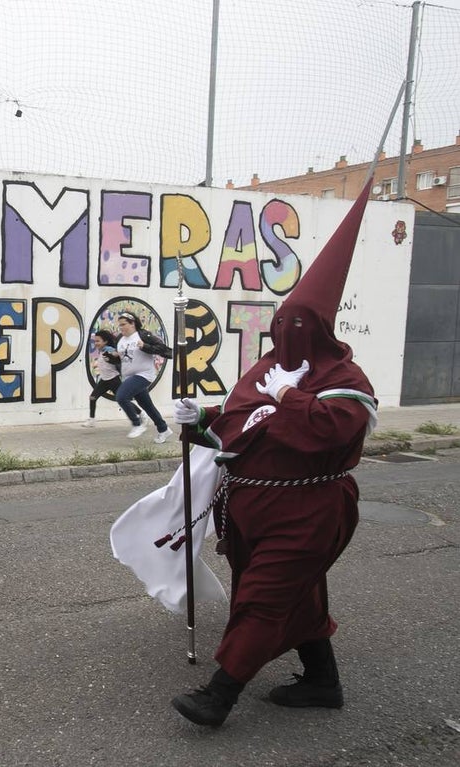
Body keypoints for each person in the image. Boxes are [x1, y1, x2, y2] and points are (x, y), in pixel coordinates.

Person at [167, 182, 379, 727]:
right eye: (282, 323)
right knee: (298, 595)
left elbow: (329, 430)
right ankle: (322, 681)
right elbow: (239, 425)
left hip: (309, 512)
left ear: (322, 329)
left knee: (261, 600)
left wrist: (288, 393)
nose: (287, 334)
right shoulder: (267, 369)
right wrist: (200, 421)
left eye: (299, 325)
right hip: (251, 513)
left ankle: (219, 696)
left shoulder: (343, 378)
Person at [114, 311, 172, 443]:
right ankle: (164, 429)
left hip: (143, 374)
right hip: (129, 376)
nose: (121, 327)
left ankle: (137, 423)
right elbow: (122, 358)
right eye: (120, 325)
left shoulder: (142, 335)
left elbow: (161, 347)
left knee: (121, 397)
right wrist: (114, 357)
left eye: (124, 324)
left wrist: (144, 346)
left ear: (132, 323)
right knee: (147, 405)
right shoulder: (120, 339)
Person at [82, 329, 122, 428]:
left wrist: (112, 355)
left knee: (122, 400)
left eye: (98, 341)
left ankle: (140, 414)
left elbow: (114, 355)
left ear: (105, 341)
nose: (95, 343)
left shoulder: (108, 350)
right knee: (93, 397)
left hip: (114, 380)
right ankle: (91, 420)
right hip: (104, 380)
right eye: (95, 341)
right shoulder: (102, 351)